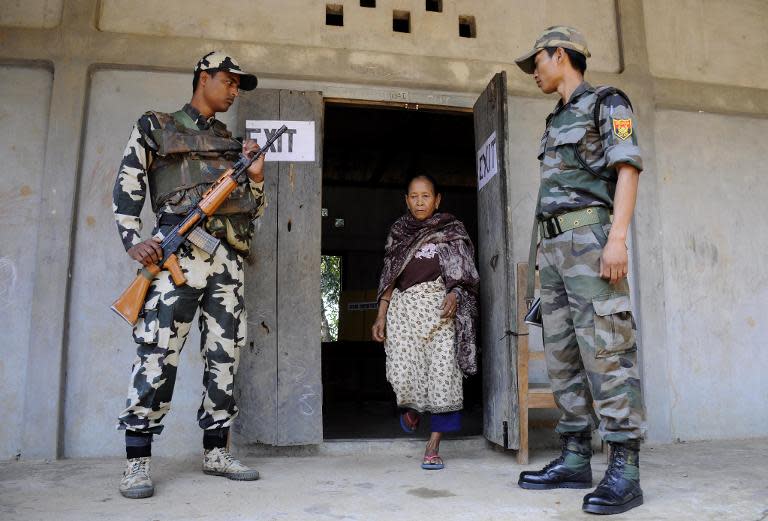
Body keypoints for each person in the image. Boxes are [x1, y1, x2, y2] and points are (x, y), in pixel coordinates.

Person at [112, 51, 266, 499]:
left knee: (225, 355)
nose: (235, 91)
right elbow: (127, 183)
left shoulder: (234, 145)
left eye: (239, 85)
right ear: (204, 77)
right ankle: (137, 462)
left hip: (227, 262)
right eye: (229, 81)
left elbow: (252, 210)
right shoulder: (156, 126)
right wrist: (131, 239)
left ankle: (217, 452)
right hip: (177, 256)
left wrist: (255, 177)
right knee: (158, 351)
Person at [514, 27, 647, 514]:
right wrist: (539, 268)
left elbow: (627, 168)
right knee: (563, 355)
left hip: (591, 241)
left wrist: (617, 239)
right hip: (553, 250)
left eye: (537, 63)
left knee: (608, 350)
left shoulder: (608, 103)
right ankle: (574, 456)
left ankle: (626, 467)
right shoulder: (554, 120)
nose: (533, 73)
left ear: (560, 55)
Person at [372, 174, 479, 470]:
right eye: (414, 196)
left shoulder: (452, 230)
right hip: (404, 312)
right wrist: (381, 315)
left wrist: (455, 294)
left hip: (441, 312)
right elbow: (389, 278)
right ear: (406, 200)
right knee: (402, 372)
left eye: (426, 196)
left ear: (437, 199)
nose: (420, 202)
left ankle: (433, 446)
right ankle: (413, 409)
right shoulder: (399, 231)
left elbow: (466, 275)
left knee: (443, 374)